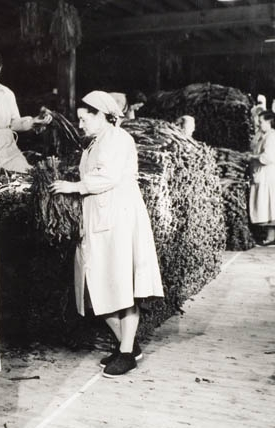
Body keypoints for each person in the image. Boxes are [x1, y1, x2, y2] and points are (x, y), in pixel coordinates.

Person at [51, 90, 164, 378]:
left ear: (102, 115)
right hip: (102, 217)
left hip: (119, 218)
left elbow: (108, 177)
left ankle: (127, 354)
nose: (81, 125)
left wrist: (74, 186)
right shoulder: (97, 142)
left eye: (85, 119)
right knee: (101, 285)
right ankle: (129, 344)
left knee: (121, 284)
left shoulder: (117, 139)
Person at [0, 49, 47, 174]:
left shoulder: (7, 94)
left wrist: (33, 121)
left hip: (8, 151)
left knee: (27, 176)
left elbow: (14, 123)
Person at [249, 111, 275, 247]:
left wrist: (253, 157)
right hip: (262, 174)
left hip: (269, 175)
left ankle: (271, 238)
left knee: (270, 206)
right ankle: (269, 236)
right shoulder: (263, 135)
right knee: (265, 205)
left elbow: (269, 157)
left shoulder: (272, 136)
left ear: (269, 122)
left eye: (261, 121)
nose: (259, 124)